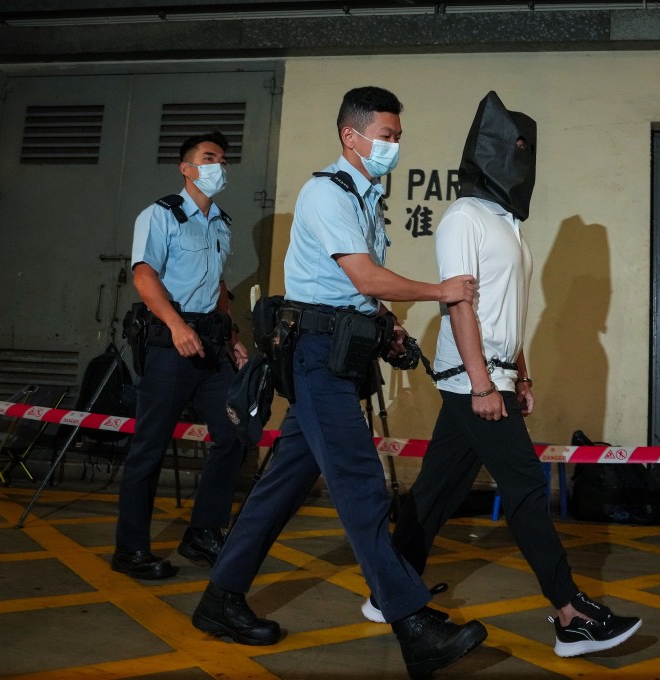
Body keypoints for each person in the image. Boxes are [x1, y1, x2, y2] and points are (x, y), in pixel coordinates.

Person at [191, 87, 488, 679]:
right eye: (386, 136)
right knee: (360, 486)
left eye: (398, 137)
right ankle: (412, 622)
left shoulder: (364, 194)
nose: (393, 147)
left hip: (334, 352)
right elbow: (365, 275)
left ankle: (219, 599)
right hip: (317, 355)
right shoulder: (326, 191)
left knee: (280, 486)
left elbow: (357, 289)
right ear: (351, 137)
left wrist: (389, 326)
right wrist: (440, 290)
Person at [360, 91, 643, 658]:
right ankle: (569, 615)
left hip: (495, 373)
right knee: (526, 487)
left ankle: (386, 590)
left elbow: (508, 307)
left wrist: (522, 373)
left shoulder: (507, 222)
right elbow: (459, 305)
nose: (521, 158)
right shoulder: (464, 216)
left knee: (439, 488)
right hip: (473, 377)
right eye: (511, 146)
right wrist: (485, 384)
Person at [111, 131, 250, 580]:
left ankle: (203, 532)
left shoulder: (222, 223)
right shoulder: (160, 215)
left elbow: (219, 285)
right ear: (186, 168)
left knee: (234, 434)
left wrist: (230, 335)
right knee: (150, 447)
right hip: (171, 343)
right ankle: (130, 549)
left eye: (223, 161)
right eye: (209, 159)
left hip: (211, 343)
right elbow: (144, 275)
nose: (218, 167)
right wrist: (175, 325)